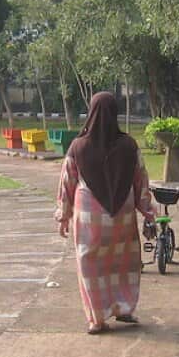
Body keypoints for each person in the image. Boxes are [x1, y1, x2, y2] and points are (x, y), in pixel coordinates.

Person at [55, 92, 157, 335]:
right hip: (122, 216)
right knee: (123, 262)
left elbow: (67, 183)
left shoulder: (78, 146)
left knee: (90, 264)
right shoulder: (129, 145)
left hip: (89, 216)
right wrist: (148, 212)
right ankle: (123, 308)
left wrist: (63, 215)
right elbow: (140, 180)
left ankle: (96, 319)